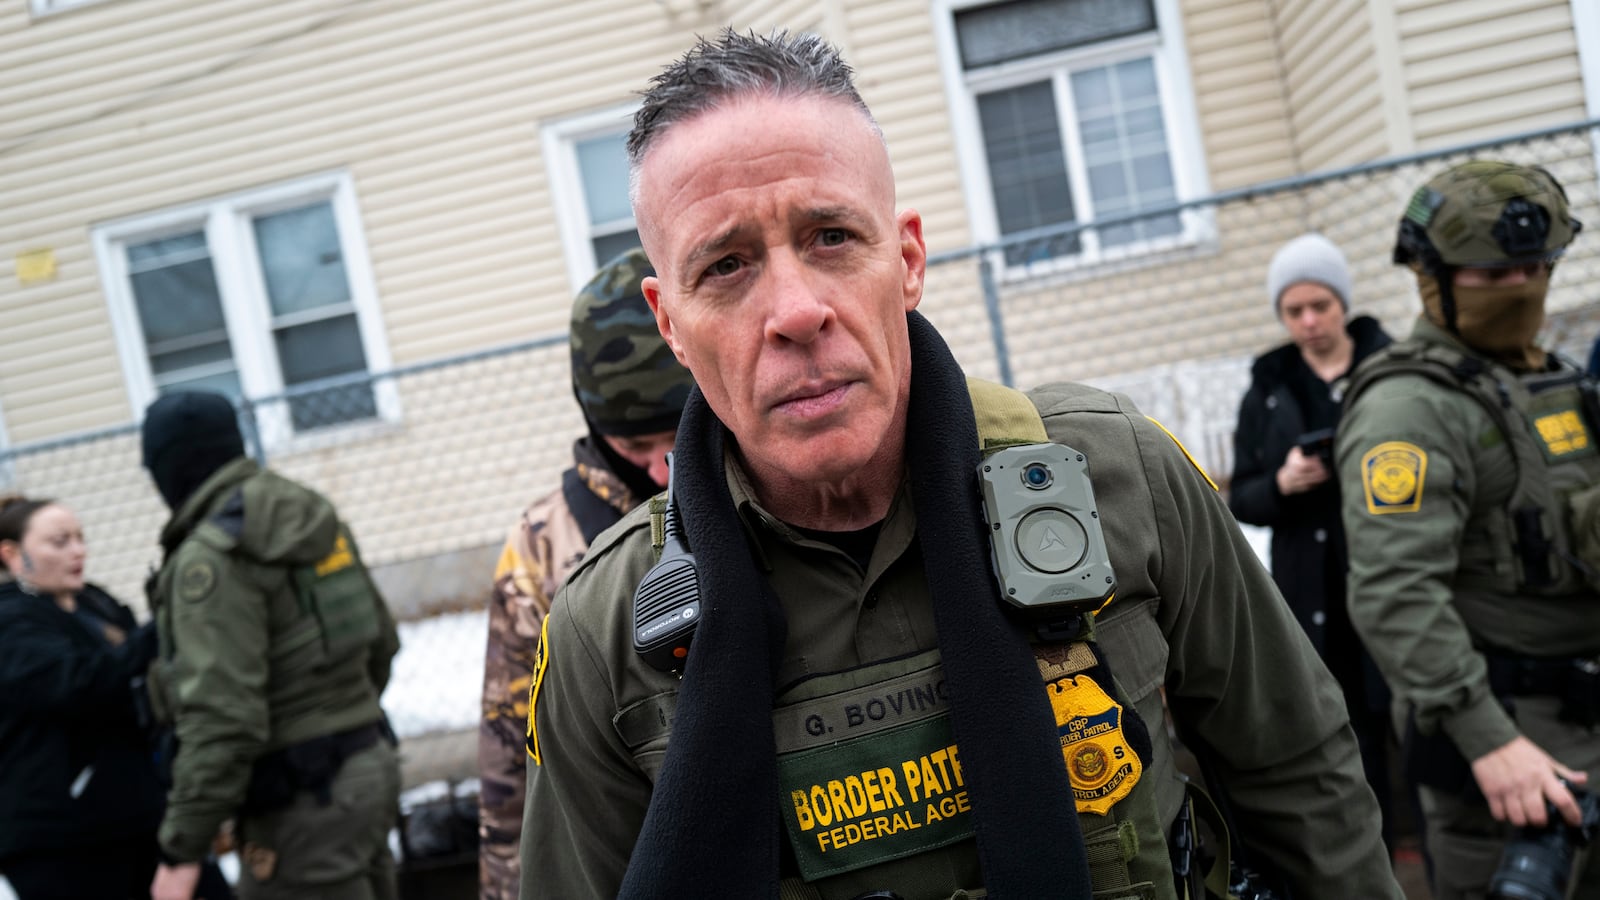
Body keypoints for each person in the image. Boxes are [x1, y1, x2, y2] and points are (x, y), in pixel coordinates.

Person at [519, 29, 1400, 900]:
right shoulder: (605, 634)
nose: (794, 312)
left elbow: (1302, 780)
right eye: (724, 266)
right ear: (670, 323)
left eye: (831, 236)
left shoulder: (1116, 475)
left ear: (906, 261)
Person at [1337, 159, 1599, 900]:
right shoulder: (1409, 410)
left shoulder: (1549, 378)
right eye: (1494, 273)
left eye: (1536, 267)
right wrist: (1489, 741)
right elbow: (1395, 594)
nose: (1521, 286)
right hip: (1511, 743)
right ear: (1433, 277)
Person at [477, 247, 693, 900]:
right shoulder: (542, 544)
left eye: (678, 433)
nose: (660, 468)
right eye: (633, 446)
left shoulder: (775, 484)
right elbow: (511, 745)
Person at [140, 391, 402, 900]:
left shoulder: (211, 558)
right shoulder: (308, 513)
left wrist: (181, 851)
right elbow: (380, 644)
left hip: (302, 801)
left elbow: (222, 718)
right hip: (368, 767)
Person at [1228, 233, 1398, 852]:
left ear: (1342, 303)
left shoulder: (1390, 371)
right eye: (1293, 310)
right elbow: (1242, 495)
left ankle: (1428, 838)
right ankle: (1377, 850)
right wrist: (1282, 483)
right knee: (1347, 721)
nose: (1308, 322)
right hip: (1313, 587)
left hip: (1387, 573)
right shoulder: (1270, 389)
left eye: (1320, 306)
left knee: (1407, 712)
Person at [0, 494, 167, 898]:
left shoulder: (95, 602)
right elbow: (77, 683)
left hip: (138, 817)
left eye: (80, 538)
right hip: (63, 840)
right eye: (60, 542)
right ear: (12, 555)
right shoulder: (11, 620)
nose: (78, 551)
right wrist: (158, 630)